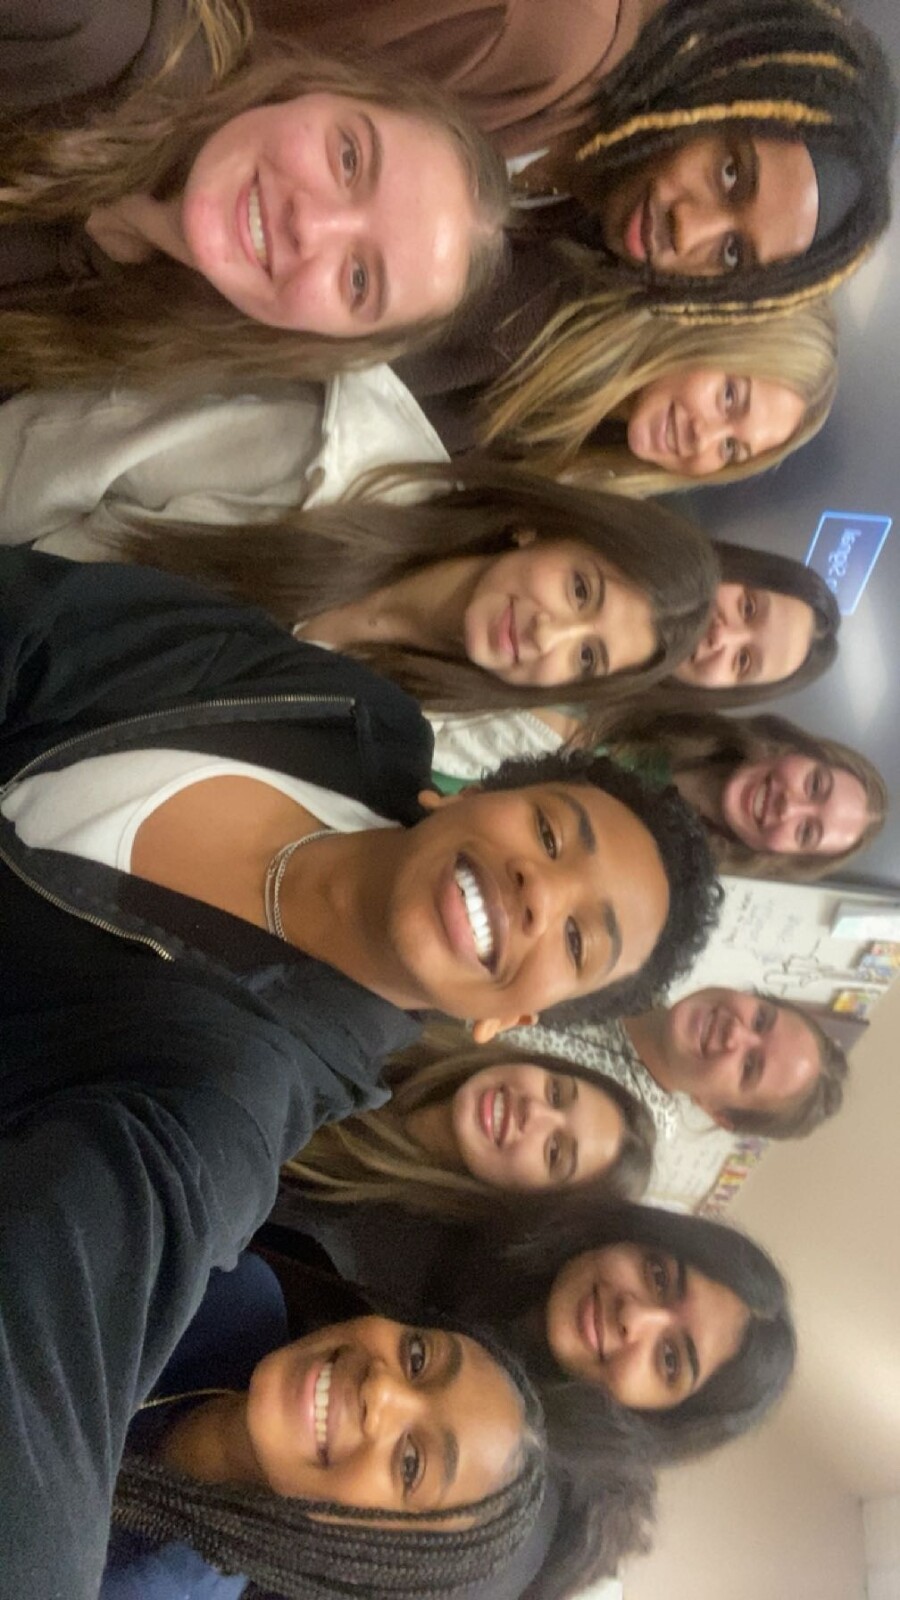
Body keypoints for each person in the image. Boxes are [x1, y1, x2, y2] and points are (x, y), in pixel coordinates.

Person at [0, 548, 722, 1599]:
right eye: (552, 831)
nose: (540, 889)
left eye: (578, 938)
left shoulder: (232, 1105)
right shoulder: (345, 716)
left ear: (511, 1020)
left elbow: (51, 1353)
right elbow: (45, 623)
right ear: (459, 797)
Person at [0, 23, 509, 390]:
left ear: (323, 338)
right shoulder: (97, 32)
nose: (311, 224)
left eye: (359, 280)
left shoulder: (126, 340)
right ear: (319, 91)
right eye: (349, 159)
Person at [101, 1250, 548, 1600]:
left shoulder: (134, 1586)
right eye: (418, 1357)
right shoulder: (240, 1296)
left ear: (368, 1558)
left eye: (411, 1463)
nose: (382, 1391)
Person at [262, 1194, 795, 1473]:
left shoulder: (498, 1508)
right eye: (658, 1275)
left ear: (658, 1419)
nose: (636, 1318)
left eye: (670, 1359)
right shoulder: (482, 1201)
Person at [284, 1022, 656, 1215]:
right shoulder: (411, 1010)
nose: (534, 1111)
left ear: (534, 1202)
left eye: (554, 1151)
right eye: (556, 1093)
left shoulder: (357, 1239)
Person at [480, 296, 837, 492]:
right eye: (729, 397)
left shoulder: (582, 475)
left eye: (730, 449)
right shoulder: (532, 322)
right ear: (709, 329)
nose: (703, 439)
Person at [514, 987, 849, 1149]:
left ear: (718, 1111)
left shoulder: (619, 1136)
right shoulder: (636, 961)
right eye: (760, 1019)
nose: (735, 1032)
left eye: (749, 1066)